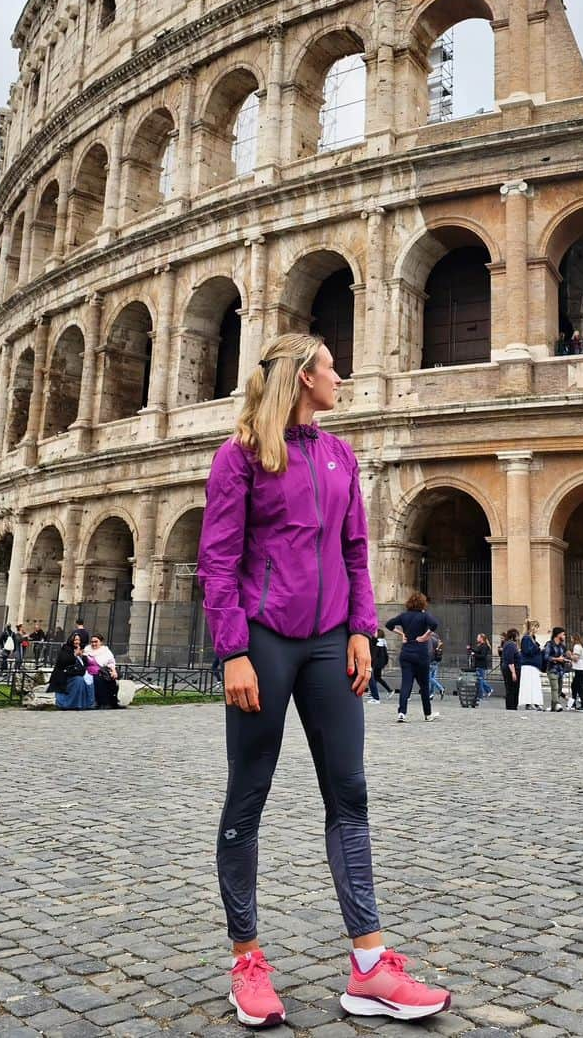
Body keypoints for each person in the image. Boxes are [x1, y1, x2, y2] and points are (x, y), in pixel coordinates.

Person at [197, 333, 450, 1025]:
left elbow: (356, 552)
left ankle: (369, 966)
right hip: (265, 641)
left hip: (329, 642)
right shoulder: (241, 454)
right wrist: (233, 650)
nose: (342, 376)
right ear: (305, 377)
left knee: (350, 793)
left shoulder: (340, 454)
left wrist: (362, 631)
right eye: (332, 367)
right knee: (247, 795)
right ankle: (247, 960)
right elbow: (217, 562)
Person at [386, 594, 440, 724]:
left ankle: (401, 713)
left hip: (406, 653)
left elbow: (389, 624)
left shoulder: (404, 616)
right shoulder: (424, 615)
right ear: (422, 603)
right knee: (424, 686)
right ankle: (427, 714)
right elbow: (434, 624)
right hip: (421, 654)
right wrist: (425, 636)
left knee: (406, 684)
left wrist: (402, 634)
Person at [47, 637, 93, 709]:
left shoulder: (81, 649)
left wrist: (81, 655)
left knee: (89, 680)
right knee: (79, 680)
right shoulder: (66, 648)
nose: (77, 642)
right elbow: (63, 661)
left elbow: (85, 663)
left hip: (77, 673)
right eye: (75, 640)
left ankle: (84, 704)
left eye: (79, 640)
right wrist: (74, 655)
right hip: (65, 676)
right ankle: (69, 704)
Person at [86, 633, 119, 709]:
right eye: (92, 642)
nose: (93, 644)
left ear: (101, 642)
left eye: (96, 642)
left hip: (102, 671)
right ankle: (98, 702)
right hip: (89, 673)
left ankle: (107, 702)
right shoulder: (87, 650)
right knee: (97, 680)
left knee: (108, 680)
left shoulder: (105, 651)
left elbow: (111, 662)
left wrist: (114, 671)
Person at [518, 620, 545, 710]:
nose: (537, 629)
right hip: (528, 665)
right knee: (529, 684)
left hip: (533, 665)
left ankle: (534, 702)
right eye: (536, 627)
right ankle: (529, 702)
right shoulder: (526, 638)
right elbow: (527, 651)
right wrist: (538, 648)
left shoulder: (532, 638)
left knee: (533, 684)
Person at [543, 628, 570, 712]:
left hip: (560, 670)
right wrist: (557, 659)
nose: (564, 636)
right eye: (563, 634)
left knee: (559, 690)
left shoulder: (562, 646)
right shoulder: (549, 644)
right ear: (558, 635)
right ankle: (557, 704)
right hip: (552, 669)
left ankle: (553, 707)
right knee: (555, 688)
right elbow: (546, 657)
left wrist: (566, 660)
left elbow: (564, 656)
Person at [500, 629, 521, 711]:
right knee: (513, 689)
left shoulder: (508, 644)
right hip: (512, 670)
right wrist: (513, 672)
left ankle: (511, 706)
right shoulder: (511, 645)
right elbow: (510, 660)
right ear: (513, 636)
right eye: (517, 635)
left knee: (511, 689)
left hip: (510, 669)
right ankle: (511, 706)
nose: (518, 637)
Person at [568, 635, 583, 711]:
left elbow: (576, 658)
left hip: (579, 668)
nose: (570, 639)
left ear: (574, 638)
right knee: (574, 685)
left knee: (578, 686)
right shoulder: (582, 646)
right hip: (582, 667)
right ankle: (573, 703)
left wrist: (570, 655)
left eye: (571, 638)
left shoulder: (576, 646)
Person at [471, 633, 493, 703]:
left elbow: (482, 656)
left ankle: (482, 694)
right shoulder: (481, 646)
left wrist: (474, 655)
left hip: (481, 665)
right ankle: (487, 690)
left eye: (478, 637)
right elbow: (478, 651)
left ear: (481, 638)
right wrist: (471, 649)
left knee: (480, 680)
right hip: (478, 665)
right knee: (480, 680)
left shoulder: (484, 646)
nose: (477, 638)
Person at [372, 631, 394, 695]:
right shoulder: (383, 643)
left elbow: (375, 655)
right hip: (381, 663)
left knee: (376, 677)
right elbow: (386, 655)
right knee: (376, 677)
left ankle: (389, 690)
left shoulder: (377, 643)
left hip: (376, 664)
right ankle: (373, 693)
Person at [427, 629, 446, 700]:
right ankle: (431, 694)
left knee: (428, 678)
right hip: (437, 661)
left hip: (431, 660)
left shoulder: (430, 638)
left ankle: (441, 688)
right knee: (433, 678)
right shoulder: (437, 638)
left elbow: (429, 651)